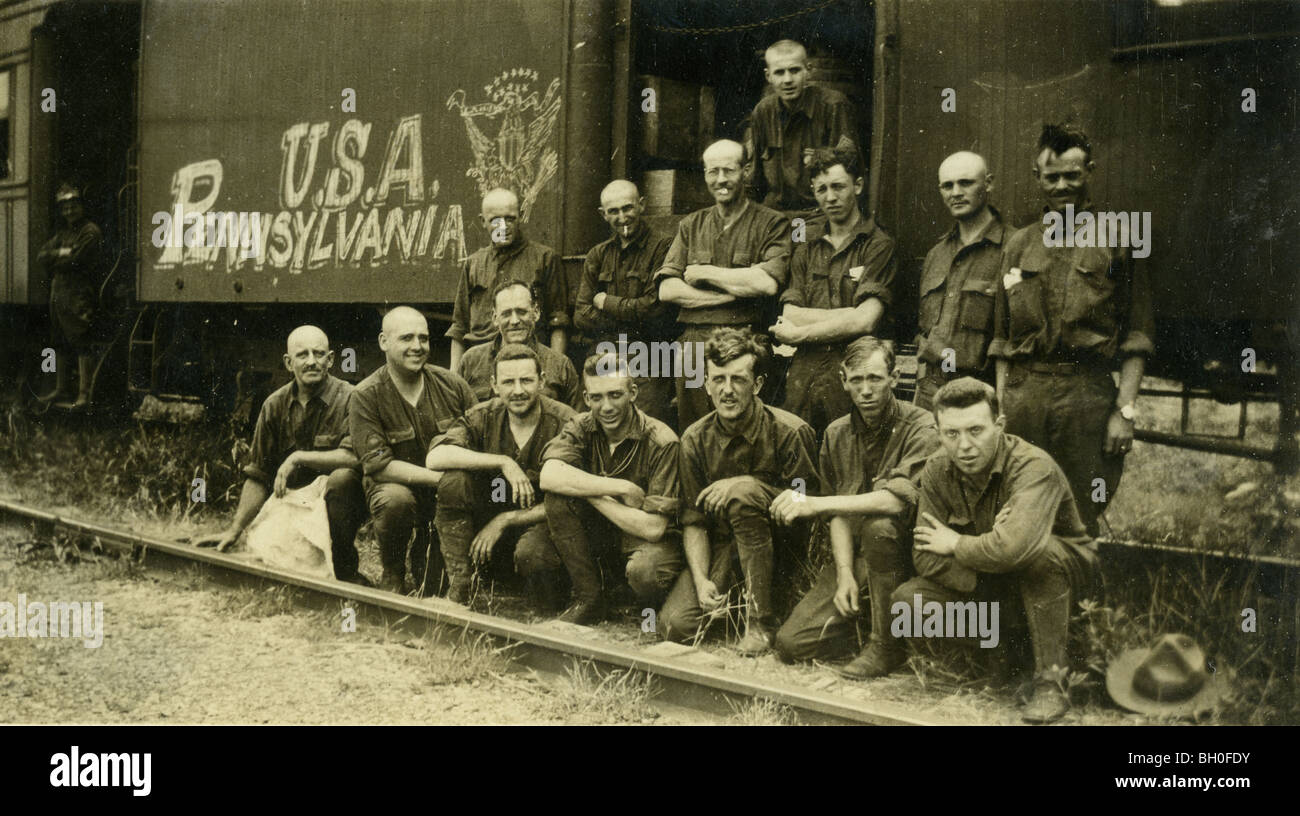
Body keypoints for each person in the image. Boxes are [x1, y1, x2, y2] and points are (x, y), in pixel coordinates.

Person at [894, 377, 1098, 723]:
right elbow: (926, 555)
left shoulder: (1034, 467)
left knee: (1042, 555)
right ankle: (1008, 650)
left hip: (1062, 589)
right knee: (907, 604)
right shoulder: (937, 469)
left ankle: (1052, 680)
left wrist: (956, 543)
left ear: (999, 426)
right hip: (996, 589)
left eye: (976, 430)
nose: (964, 446)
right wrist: (993, 553)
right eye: (951, 434)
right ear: (938, 431)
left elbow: (1015, 549)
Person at [989, 124, 1155, 536]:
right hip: (1025, 396)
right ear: (1037, 178)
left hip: (1086, 396)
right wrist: (1003, 408)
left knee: (1080, 515)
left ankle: (1076, 599)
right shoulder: (1019, 244)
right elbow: (1002, 340)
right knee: (1019, 510)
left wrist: (1125, 412)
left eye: (1072, 175)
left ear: (1090, 172)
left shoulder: (1121, 239)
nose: (1062, 186)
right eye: (1052, 177)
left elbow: (1137, 337)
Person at [770, 337, 938, 671]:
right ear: (844, 381)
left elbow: (895, 501)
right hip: (859, 558)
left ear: (893, 378)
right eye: (857, 380)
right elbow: (840, 515)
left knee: (880, 528)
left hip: (911, 557)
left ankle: (886, 646)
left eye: (875, 379)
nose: (866, 390)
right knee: (791, 643)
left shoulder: (922, 425)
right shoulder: (836, 433)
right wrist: (845, 573)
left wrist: (813, 504)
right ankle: (867, 626)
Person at [658, 327, 819, 655]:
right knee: (676, 625)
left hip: (782, 548)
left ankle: (760, 621)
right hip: (725, 548)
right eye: (718, 379)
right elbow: (694, 521)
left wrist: (746, 485)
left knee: (743, 493)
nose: (727, 391)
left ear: (757, 385)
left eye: (738, 380)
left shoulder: (790, 432)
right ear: (706, 383)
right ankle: (730, 597)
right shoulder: (693, 440)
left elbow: (809, 505)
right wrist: (702, 580)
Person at [193, 326, 367, 585]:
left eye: (319, 354)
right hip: (293, 506)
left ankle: (344, 568)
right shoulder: (274, 405)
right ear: (288, 362)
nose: (311, 361)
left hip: (338, 501)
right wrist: (234, 529)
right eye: (302, 355)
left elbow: (353, 457)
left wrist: (297, 458)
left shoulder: (351, 398)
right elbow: (259, 473)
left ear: (330, 359)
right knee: (274, 558)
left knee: (342, 479)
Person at [538, 351, 685, 624]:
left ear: (633, 392)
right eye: (596, 397)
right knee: (556, 502)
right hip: (606, 531)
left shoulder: (662, 441)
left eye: (615, 395)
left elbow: (653, 529)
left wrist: (592, 493)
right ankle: (589, 598)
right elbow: (548, 475)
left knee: (645, 572)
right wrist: (617, 487)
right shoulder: (582, 425)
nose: (606, 407)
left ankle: (645, 608)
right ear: (585, 399)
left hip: (649, 542)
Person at [655, 139, 791, 431]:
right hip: (693, 348)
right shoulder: (691, 225)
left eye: (728, 170)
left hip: (745, 341)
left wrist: (704, 272)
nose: (720, 180)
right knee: (693, 432)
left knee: (746, 430)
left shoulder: (771, 223)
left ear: (746, 171)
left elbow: (767, 284)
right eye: (712, 172)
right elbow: (667, 290)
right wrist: (733, 294)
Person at [428, 343, 577, 607]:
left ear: (541, 382)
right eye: (508, 382)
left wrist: (505, 519)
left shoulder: (565, 422)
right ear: (495, 385)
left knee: (534, 559)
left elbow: (576, 497)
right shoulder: (483, 416)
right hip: (487, 532)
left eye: (526, 380)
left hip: (541, 526)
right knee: (454, 481)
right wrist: (503, 461)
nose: (518, 391)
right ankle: (461, 587)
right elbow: (436, 457)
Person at [348, 306, 477, 595]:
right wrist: (441, 480)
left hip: (446, 499)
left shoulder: (453, 385)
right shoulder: (366, 395)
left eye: (424, 338)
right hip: (396, 489)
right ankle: (392, 569)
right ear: (384, 342)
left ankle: (426, 553)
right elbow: (379, 466)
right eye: (407, 338)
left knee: (434, 586)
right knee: (395, 501)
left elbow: (480, 436)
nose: (417, 347)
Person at [770, 147, 896, 437]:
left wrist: (799, 333)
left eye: (838, 186)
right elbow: (790, 312)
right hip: (804, 373)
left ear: (858, 186)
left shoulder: (878, 244)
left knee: (847, 454)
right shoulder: (806, 245)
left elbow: (866, 321)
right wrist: (848, 315)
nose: (830, 197)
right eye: (821, 189)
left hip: (853, 373)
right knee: (798, 451)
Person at [574, 179, 676, 426]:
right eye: (613, 211)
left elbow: (656, 311)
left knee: (646, 430)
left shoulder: (664, 246)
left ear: (642, 205)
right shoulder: (598, 255)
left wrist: (605, 301)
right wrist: (631, 312)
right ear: (603, 214)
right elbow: (581, 315)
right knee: (587, 427)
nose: (622, 217)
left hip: (650, 359)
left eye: (627, 208)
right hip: (603, 356)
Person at [914, 151, 1005, 410]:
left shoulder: (1012, 247)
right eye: (947, 185)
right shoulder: (936, 254)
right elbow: (924, 332)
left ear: (988, 183)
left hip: (980, 393)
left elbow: (1011, 338)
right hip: (931, 392)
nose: (955, 192)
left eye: (966, 183)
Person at [447, 187, 568, 370]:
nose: (503, 227)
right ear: (483, 221)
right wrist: (454, 378)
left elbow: (558, 321)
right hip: (481, 364)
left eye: (510, 219)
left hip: (529, 361)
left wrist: (554, 370)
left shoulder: (545, 259)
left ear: (521, 216)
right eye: (495, 220)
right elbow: (459, 327)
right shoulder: (473, 264)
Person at [744, 39, 858, 221]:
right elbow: (754, 177)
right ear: (768, 76)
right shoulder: (763, 112)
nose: (788, 80)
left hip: (817, 216)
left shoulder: (833, 106)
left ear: (808, 70)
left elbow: (850, 169)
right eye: (779, 73)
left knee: (799, 246)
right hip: (772, 217)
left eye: (795, 70)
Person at [455, 280, 583, 410]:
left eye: (522, 312)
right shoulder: (471, 362)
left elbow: (576, 422)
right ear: (494, 318)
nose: (514, 321)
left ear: (536, 312)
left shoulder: (560, 365)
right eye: (506, 314)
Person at [36, 184, 105, 408]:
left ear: (81, 207)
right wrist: (62, 253)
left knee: (80, 339)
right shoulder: (64, 234)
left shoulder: (90, 231)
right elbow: (41, 256)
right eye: (65, 208)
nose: (69, 212)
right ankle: (60, 389)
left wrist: (60, 257)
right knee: (58, 341)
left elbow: (76, 260)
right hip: (58, 292)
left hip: (77, 291)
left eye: (73, 207)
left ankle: (84, 395)